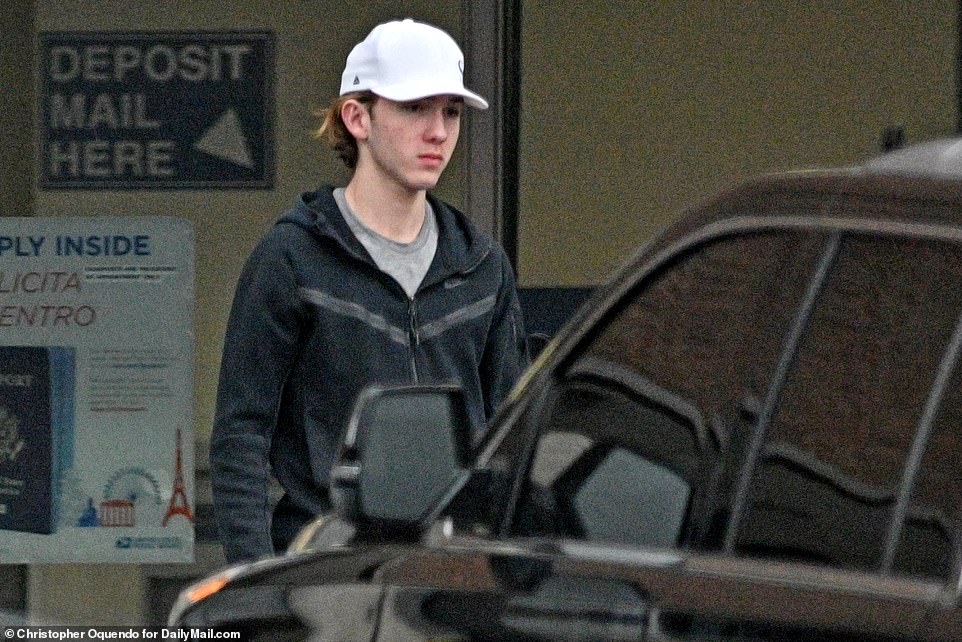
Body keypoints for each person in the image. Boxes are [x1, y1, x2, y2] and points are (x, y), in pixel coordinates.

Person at [210, 18, 529, 564]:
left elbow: (514, 441)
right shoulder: (292, 259)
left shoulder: (482, 267)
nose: (439, 131)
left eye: (450, 112)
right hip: (322, 571)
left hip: (448, 575)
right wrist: (257, 584)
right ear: (357, 117)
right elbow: (242, 438)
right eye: (414, 108)